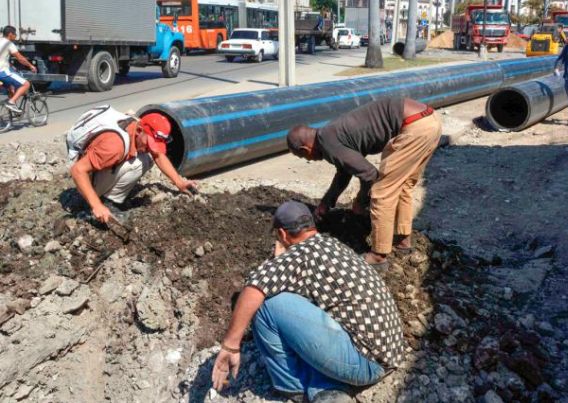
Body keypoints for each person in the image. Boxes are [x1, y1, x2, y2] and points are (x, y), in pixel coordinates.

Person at [211, 201, 404, 402]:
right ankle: (326, 389)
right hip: (389, 353)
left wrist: (230, 345)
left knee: (266, 305)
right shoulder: (331, 245)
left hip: (366, 364)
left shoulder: (297, 256)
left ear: (283, 235)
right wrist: (279, 263)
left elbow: (255, 288)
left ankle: (295, 386)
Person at [286, 97, 441, 270]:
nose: (310, 160)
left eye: (303, 157)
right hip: (429, 119)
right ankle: (403, 242)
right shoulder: (328, 133)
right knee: (402, 185)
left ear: (305, 149)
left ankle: (378, 256)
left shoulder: (327, 141)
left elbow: (370, 175)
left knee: (383, 191)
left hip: (414, 126)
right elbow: (345, 172)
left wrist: (360, 202)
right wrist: (325, 203)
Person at [70, 111, 196, 223]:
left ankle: (106, 200)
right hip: (85, 181)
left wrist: (179, 182)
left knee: (148, 157)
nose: (149, 148)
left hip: (102, 163)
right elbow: (77, 170)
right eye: (149, 143)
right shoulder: (114, 146)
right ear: (140, 130)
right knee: (137, 163)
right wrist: (96, 205)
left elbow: (157, 155)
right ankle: (101, 204)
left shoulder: (136, 125)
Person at [0, 25, 37, 113]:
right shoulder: (9, 43)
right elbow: (20, 58)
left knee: (11, 88)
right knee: (26, 84)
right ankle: (11, 103)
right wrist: (31, 66)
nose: (16, 36)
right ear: (10, 34)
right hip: (2, 72)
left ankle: (11, 112)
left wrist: (10, 66)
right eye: (14, 34)